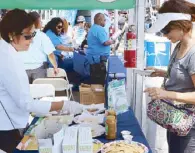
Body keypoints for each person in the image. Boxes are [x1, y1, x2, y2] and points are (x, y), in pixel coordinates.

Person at [0, 9, 83, 153]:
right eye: (27, 36)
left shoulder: (7, 51)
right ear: (11, 35)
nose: (31, 40)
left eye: (33, 35)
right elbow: (26, 103)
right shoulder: (8, 59)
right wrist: (63, 104)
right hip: (7, 128)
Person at [145, 1, 195, 152]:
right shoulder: (179, 46)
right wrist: (163, 72)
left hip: (188, 125)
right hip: (175, 119)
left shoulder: (193, 54)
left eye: (167, 30)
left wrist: (166, 93)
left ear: (181, 26)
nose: (165, 36)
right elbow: (183, 76)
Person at [17, 11, 59, 84]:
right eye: (40, 21)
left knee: (24, 93)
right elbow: (50, 54)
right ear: (36, 22)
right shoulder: (42, 36)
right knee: (39, 93)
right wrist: (55, 66)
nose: (42, 23)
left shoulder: (19, 35)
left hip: (22, 68)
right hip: (38, 69)